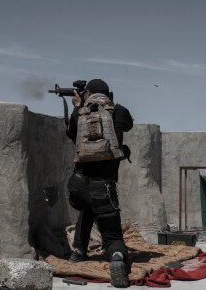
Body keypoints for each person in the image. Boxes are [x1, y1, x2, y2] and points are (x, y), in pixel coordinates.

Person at [65, 79, 133, 287]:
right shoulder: (119, 111)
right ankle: (117, 259)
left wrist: (78, 108)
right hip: (103, 187)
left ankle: (78, 251)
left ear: (88, 94)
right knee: (112, 237)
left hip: (77, 187)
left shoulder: (80, 113)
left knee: (87, 209)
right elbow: (128, 125)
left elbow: (71, 134)